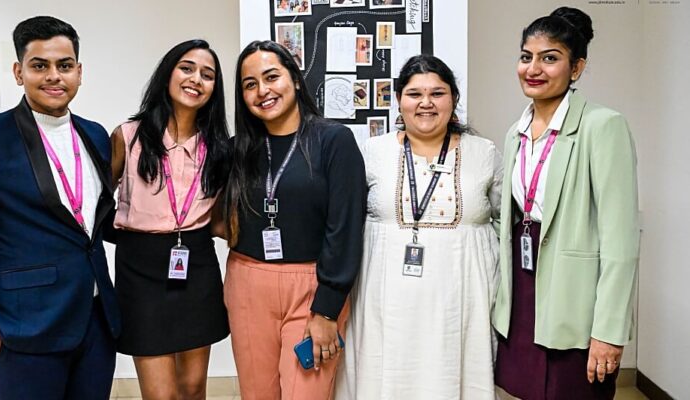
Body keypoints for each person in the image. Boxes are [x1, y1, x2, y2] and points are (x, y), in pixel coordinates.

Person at [0, 16, 120, 399]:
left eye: (64, 66)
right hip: (21, 332)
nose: (54, 76)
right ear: (18, 72)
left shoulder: (95, 134)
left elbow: (94, 226)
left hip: (95, 323)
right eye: (39, 65)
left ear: (79, 72)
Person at [334, 55, 502, 399]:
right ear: (399, 100)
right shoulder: (372, 152)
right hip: (384, 298)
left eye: (437, 93)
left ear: (453, 99)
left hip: (464, 297)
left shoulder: (484, 153)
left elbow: (504, 220)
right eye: (414, 94)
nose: (426, 103)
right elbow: (347, 219)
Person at [492, 7, 640, 400]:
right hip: (523, 286)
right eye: (527, 57)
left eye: (550, 57)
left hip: (575, 297)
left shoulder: (602, 126)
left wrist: (608, 331)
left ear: (576, 68)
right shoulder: (515, 132)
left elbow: (621, 242)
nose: (533, 68)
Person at [221, 40, 366, 399]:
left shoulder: (334, 141)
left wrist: (327, 311)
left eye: (272, 77)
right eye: (250, 84)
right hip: (247, 282)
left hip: (312, 288)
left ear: (295, 80)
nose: (262, 91)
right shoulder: (237, 149)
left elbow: (345, 229)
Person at [109, 39, 231, 400]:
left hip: (197, 265)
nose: (196, 79)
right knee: (161, 394)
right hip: (140, 268)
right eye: (187, 68)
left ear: (214, 89)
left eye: (207, 75)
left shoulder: (220, 148)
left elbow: (222, 219)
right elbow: (98, 202)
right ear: (168, 75)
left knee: (193, 389)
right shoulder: (127, 136)